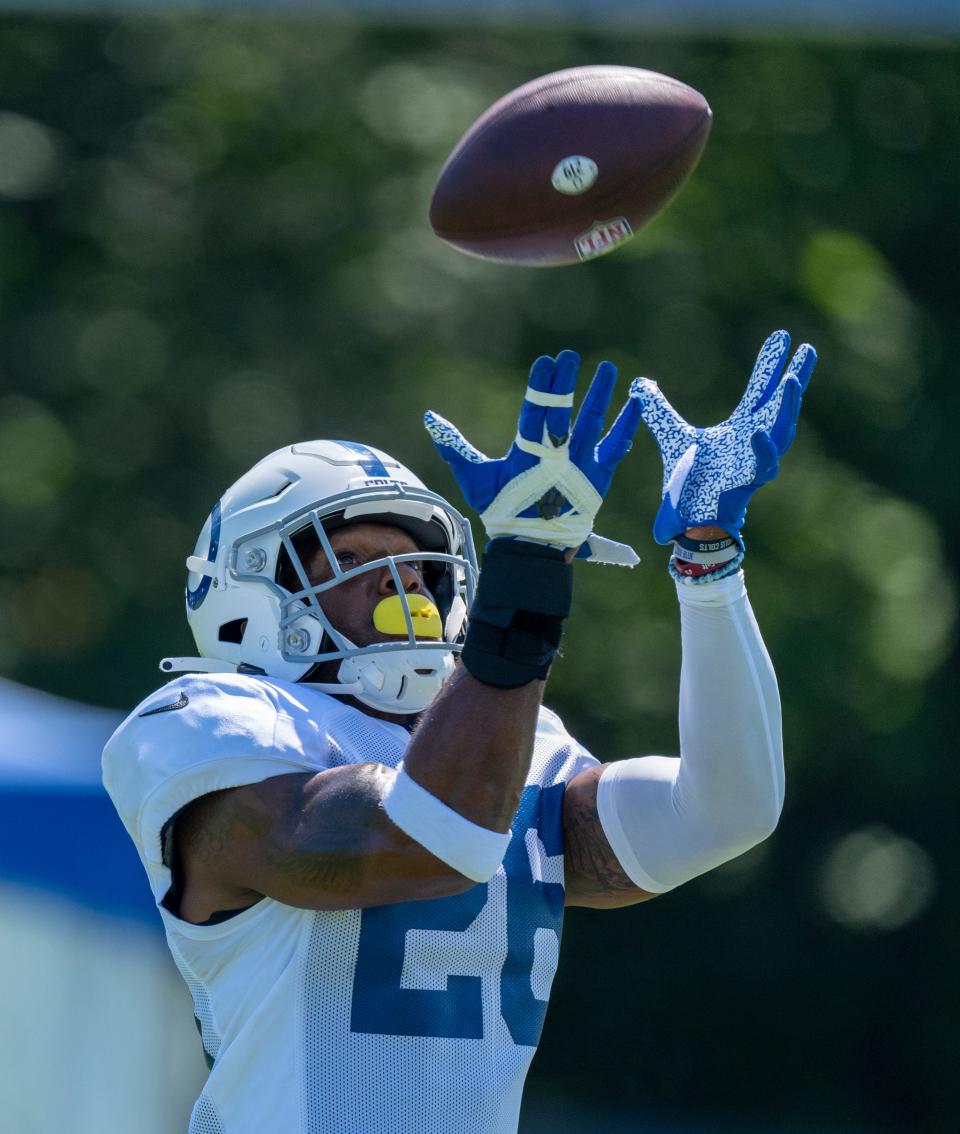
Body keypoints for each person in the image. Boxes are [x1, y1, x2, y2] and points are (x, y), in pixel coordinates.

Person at [102, 330, 816, 1134]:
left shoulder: (510, 742)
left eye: (417, 567)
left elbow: (728, 809)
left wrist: (709, 566)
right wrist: (530, 579)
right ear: (253, 592)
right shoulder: (209, 722)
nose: (399, 583)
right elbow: (429, 835)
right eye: (356, 557)